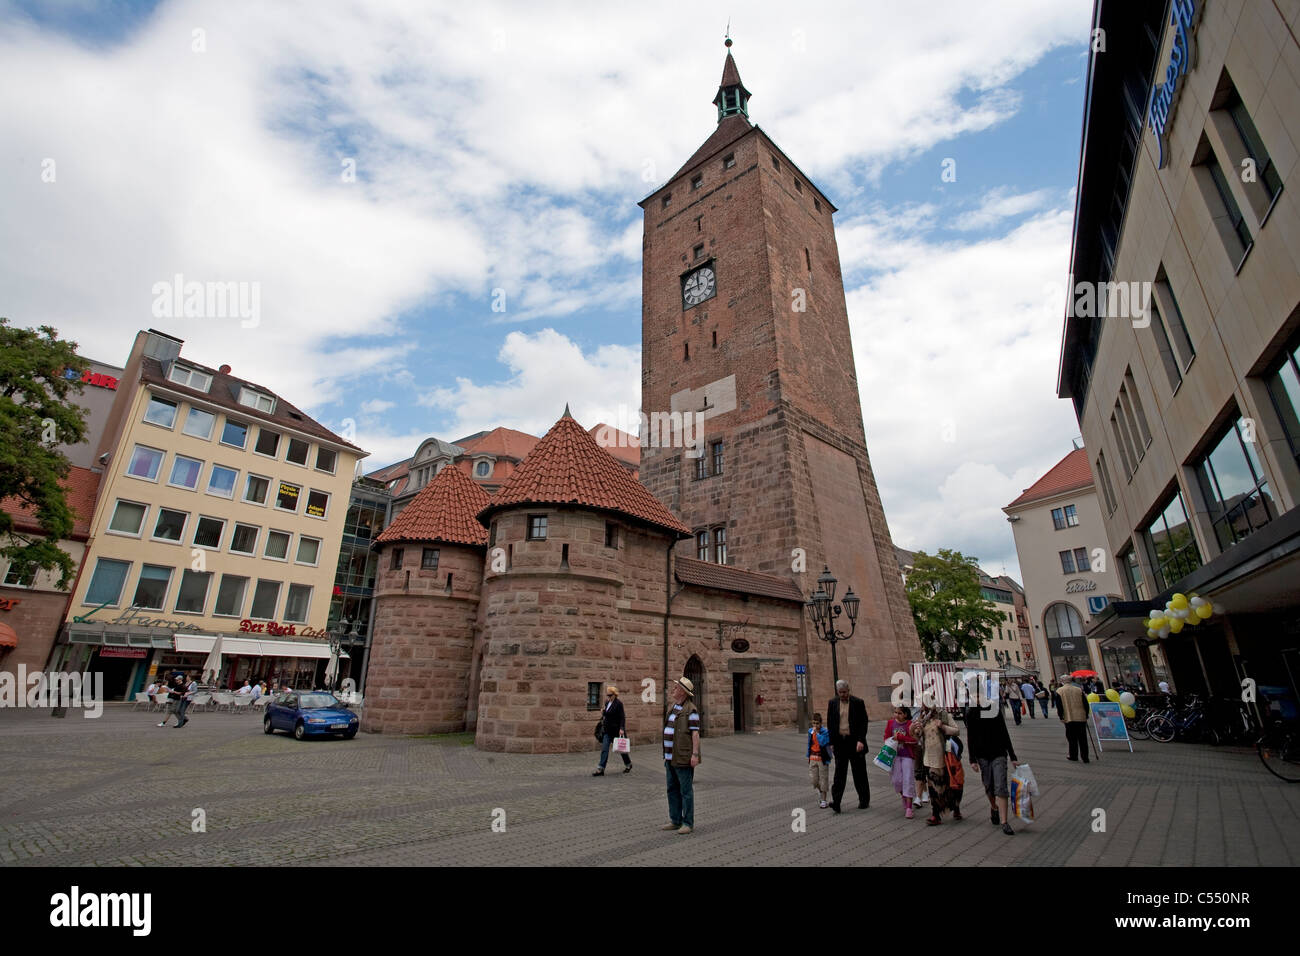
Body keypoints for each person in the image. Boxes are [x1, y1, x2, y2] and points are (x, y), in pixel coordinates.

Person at [965, 697, 1019, 836]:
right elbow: (970, 736)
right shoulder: (971, 712)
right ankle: (994, 807)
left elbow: (1004, 732)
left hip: (999, 752)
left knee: (1000, 786)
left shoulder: (993, 708)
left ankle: (1004, 821)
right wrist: (972, 759)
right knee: (988, 786)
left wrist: (1012, 756)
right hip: (982, 755)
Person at [661, 677, 700, 834]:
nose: (673, 690)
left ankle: (687, 823)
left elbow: (695, 734)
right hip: (670, 756)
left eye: (676, 688)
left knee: (685, 791)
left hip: (683, 756)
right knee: (672, 789)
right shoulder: (674, 707)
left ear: (683, 692)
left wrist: (695, 755)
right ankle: (675, 820)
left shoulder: (691, 710)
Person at [912, 703, 961, 825]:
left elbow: (957, 730)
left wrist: (943, 727)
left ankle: (955, 807)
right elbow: (917, 737)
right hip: (928, 758)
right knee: (933, 788)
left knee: (948, 786)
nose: (924, 706)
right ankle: (935, 814)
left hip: (944, 757)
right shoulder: (922, 717)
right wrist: (913, 729)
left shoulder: (943, 715)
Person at [826, 679, 869, 813]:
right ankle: (836, 802)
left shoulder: (858, 702)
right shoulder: (832, 703)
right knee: (839, 774)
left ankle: (864, 800)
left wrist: (861, 740)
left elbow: (863, 722)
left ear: (848, 691)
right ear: (837, 692)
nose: (843, 695)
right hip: (840, 742)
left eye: (845, 692)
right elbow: (830, 723)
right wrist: (831, 742)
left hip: (855, 742)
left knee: (859, 773)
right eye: (840, 692)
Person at [885, 705, 918, 819]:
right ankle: (904, 795)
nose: (896, 715)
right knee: (896, 780)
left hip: (907, 756)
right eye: (895, 712)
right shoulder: (890, 723)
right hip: (894, 756)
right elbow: (886, 737)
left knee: (908, 779)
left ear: (905, 714)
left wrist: (901, 738)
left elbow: (914, 740)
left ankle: (909, 807)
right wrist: (890, 740)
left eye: (899, 713)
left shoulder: (910, 725)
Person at [594, 685, 632, 776]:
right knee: (604, 749)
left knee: (622, 749)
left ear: (615, 695)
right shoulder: (607, 702)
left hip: (616, 730)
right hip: (607, 731)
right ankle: (601, 769)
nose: (608, 697)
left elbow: (622, 717)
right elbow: (606, 715)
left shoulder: (619, 704)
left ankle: (628, 764)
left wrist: (622, 728)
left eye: (610, 695)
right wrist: (603, 714)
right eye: (607, 695)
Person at [1054, 674, 1092, 763]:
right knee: (1083, 738)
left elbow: (1059, 705)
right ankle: (1085, 757)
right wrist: (1086, 714)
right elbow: (1085, 703)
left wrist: (1061, 716)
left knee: (1072, 738)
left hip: (1069, 717)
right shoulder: (1078, 690)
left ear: (1062, 681)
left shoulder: (1060, 691)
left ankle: (1073, 755)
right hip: (1081, 717)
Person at [807, 713, 832, 808]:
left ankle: (824, 800)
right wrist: (808, 756)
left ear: (821, 723)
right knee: (814, 780)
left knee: (823, 779)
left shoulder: (825, 732)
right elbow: (809, 744)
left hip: (822, 759)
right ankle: (821, 791)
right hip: (813, 758)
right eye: (813, 723)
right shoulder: (810, 731)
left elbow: (823, 742)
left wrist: (817, 733)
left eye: (817, 723)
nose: (815, 726)